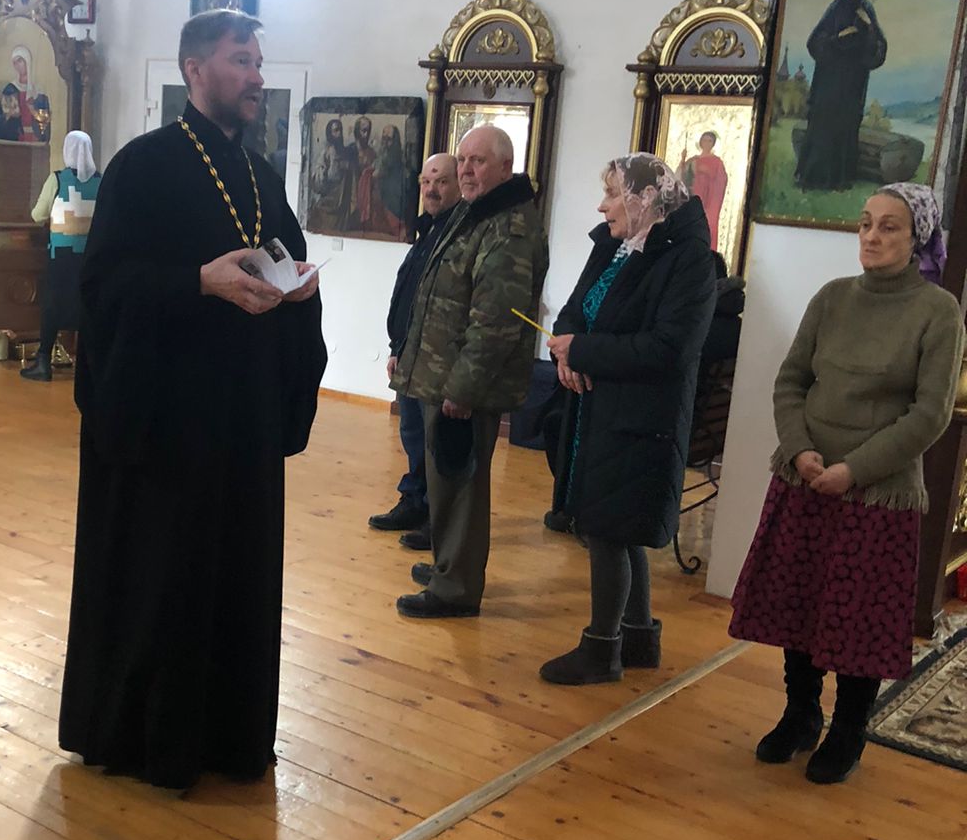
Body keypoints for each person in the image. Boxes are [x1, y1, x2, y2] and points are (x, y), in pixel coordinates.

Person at [58, 9, 326, 788]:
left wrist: (299, 289)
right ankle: (149, 741)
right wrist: (196, 282)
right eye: (241, 60)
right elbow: (102, 288)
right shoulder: (143, 167)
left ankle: (228, 739)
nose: (256, 76)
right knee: (165, 579)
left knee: (236, 577)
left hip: (243, 420)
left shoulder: (260, 174)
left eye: (258, 62)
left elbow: (284, 257)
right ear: (194, 69)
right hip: (167, 427)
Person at [730, 183, 963, 784]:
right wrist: (800, 450)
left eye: (889, 226)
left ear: (917, 239)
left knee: (858, 618)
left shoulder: (938, 312)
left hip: (875, 493)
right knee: (800, 603)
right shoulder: (832, 298)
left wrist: (853, 470)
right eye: (865, 224)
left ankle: (849, 728)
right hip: (806, 479)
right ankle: (800, 713)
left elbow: (930, 414)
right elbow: (791, 381)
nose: (871, 236)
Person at [540, 154, 716, 684]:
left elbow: (669, 349)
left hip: (642, 416)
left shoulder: (689, 260)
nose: (603, 206)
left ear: (646, 199)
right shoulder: (615, 245)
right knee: (617, 526)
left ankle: (601, 650)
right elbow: (574, 311)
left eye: (614, 194)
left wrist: (583, 351)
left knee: (608, 529)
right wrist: (567, 350)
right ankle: (638, 638)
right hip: (598, 407)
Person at [391, 125, 548, 618]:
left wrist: (461, 389)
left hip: (464, 385)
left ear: (505, 166)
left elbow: (495, 324)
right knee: (444, 482)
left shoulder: (509, 228)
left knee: (461, 487)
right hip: (440, 375)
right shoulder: (475, 211)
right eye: (462, 160)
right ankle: (448, 566)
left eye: (477, 161)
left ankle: (455, 590)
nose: (465, 170)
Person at [368, 152, 463, 536]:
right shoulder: (428, 232)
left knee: (435, 441)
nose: (431, 189)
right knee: (412, 435)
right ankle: (414, 502)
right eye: (426, 181)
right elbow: (411, 297)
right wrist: (396, 347)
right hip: (409, 352)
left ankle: (436, 517)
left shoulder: (459, 234)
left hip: (437, 359)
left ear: (459, 184)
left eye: (441, 181)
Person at [794, 0, 887, 191]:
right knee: (822, 126)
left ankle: (840, 179)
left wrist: (869, 26)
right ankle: (813, 177)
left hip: (852, 83)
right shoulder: (835, 8)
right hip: (829, 80)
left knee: (845, 128)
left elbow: (878, 48)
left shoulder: (866, 9)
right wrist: (838, 37)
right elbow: (814, 42)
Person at [22, 130, 101, 383]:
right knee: (88, 306)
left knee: (53, 304)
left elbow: (37, 214)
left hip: (62, 255)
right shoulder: (102, 181)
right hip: (91, 258)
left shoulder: (57, 179)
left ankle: (43, 361)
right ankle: (90, 365)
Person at [678, 131, 729, 246]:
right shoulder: (693, 160)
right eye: (704, 140)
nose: (707, 143)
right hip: (694, 195)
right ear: (700, 142)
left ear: (713, 143)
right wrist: (683, 159)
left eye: (710, 141)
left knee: (707, 224)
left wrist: (707, 173)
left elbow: (722, 181)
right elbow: (682, 177)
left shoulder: (717, 162)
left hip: (709, 199)